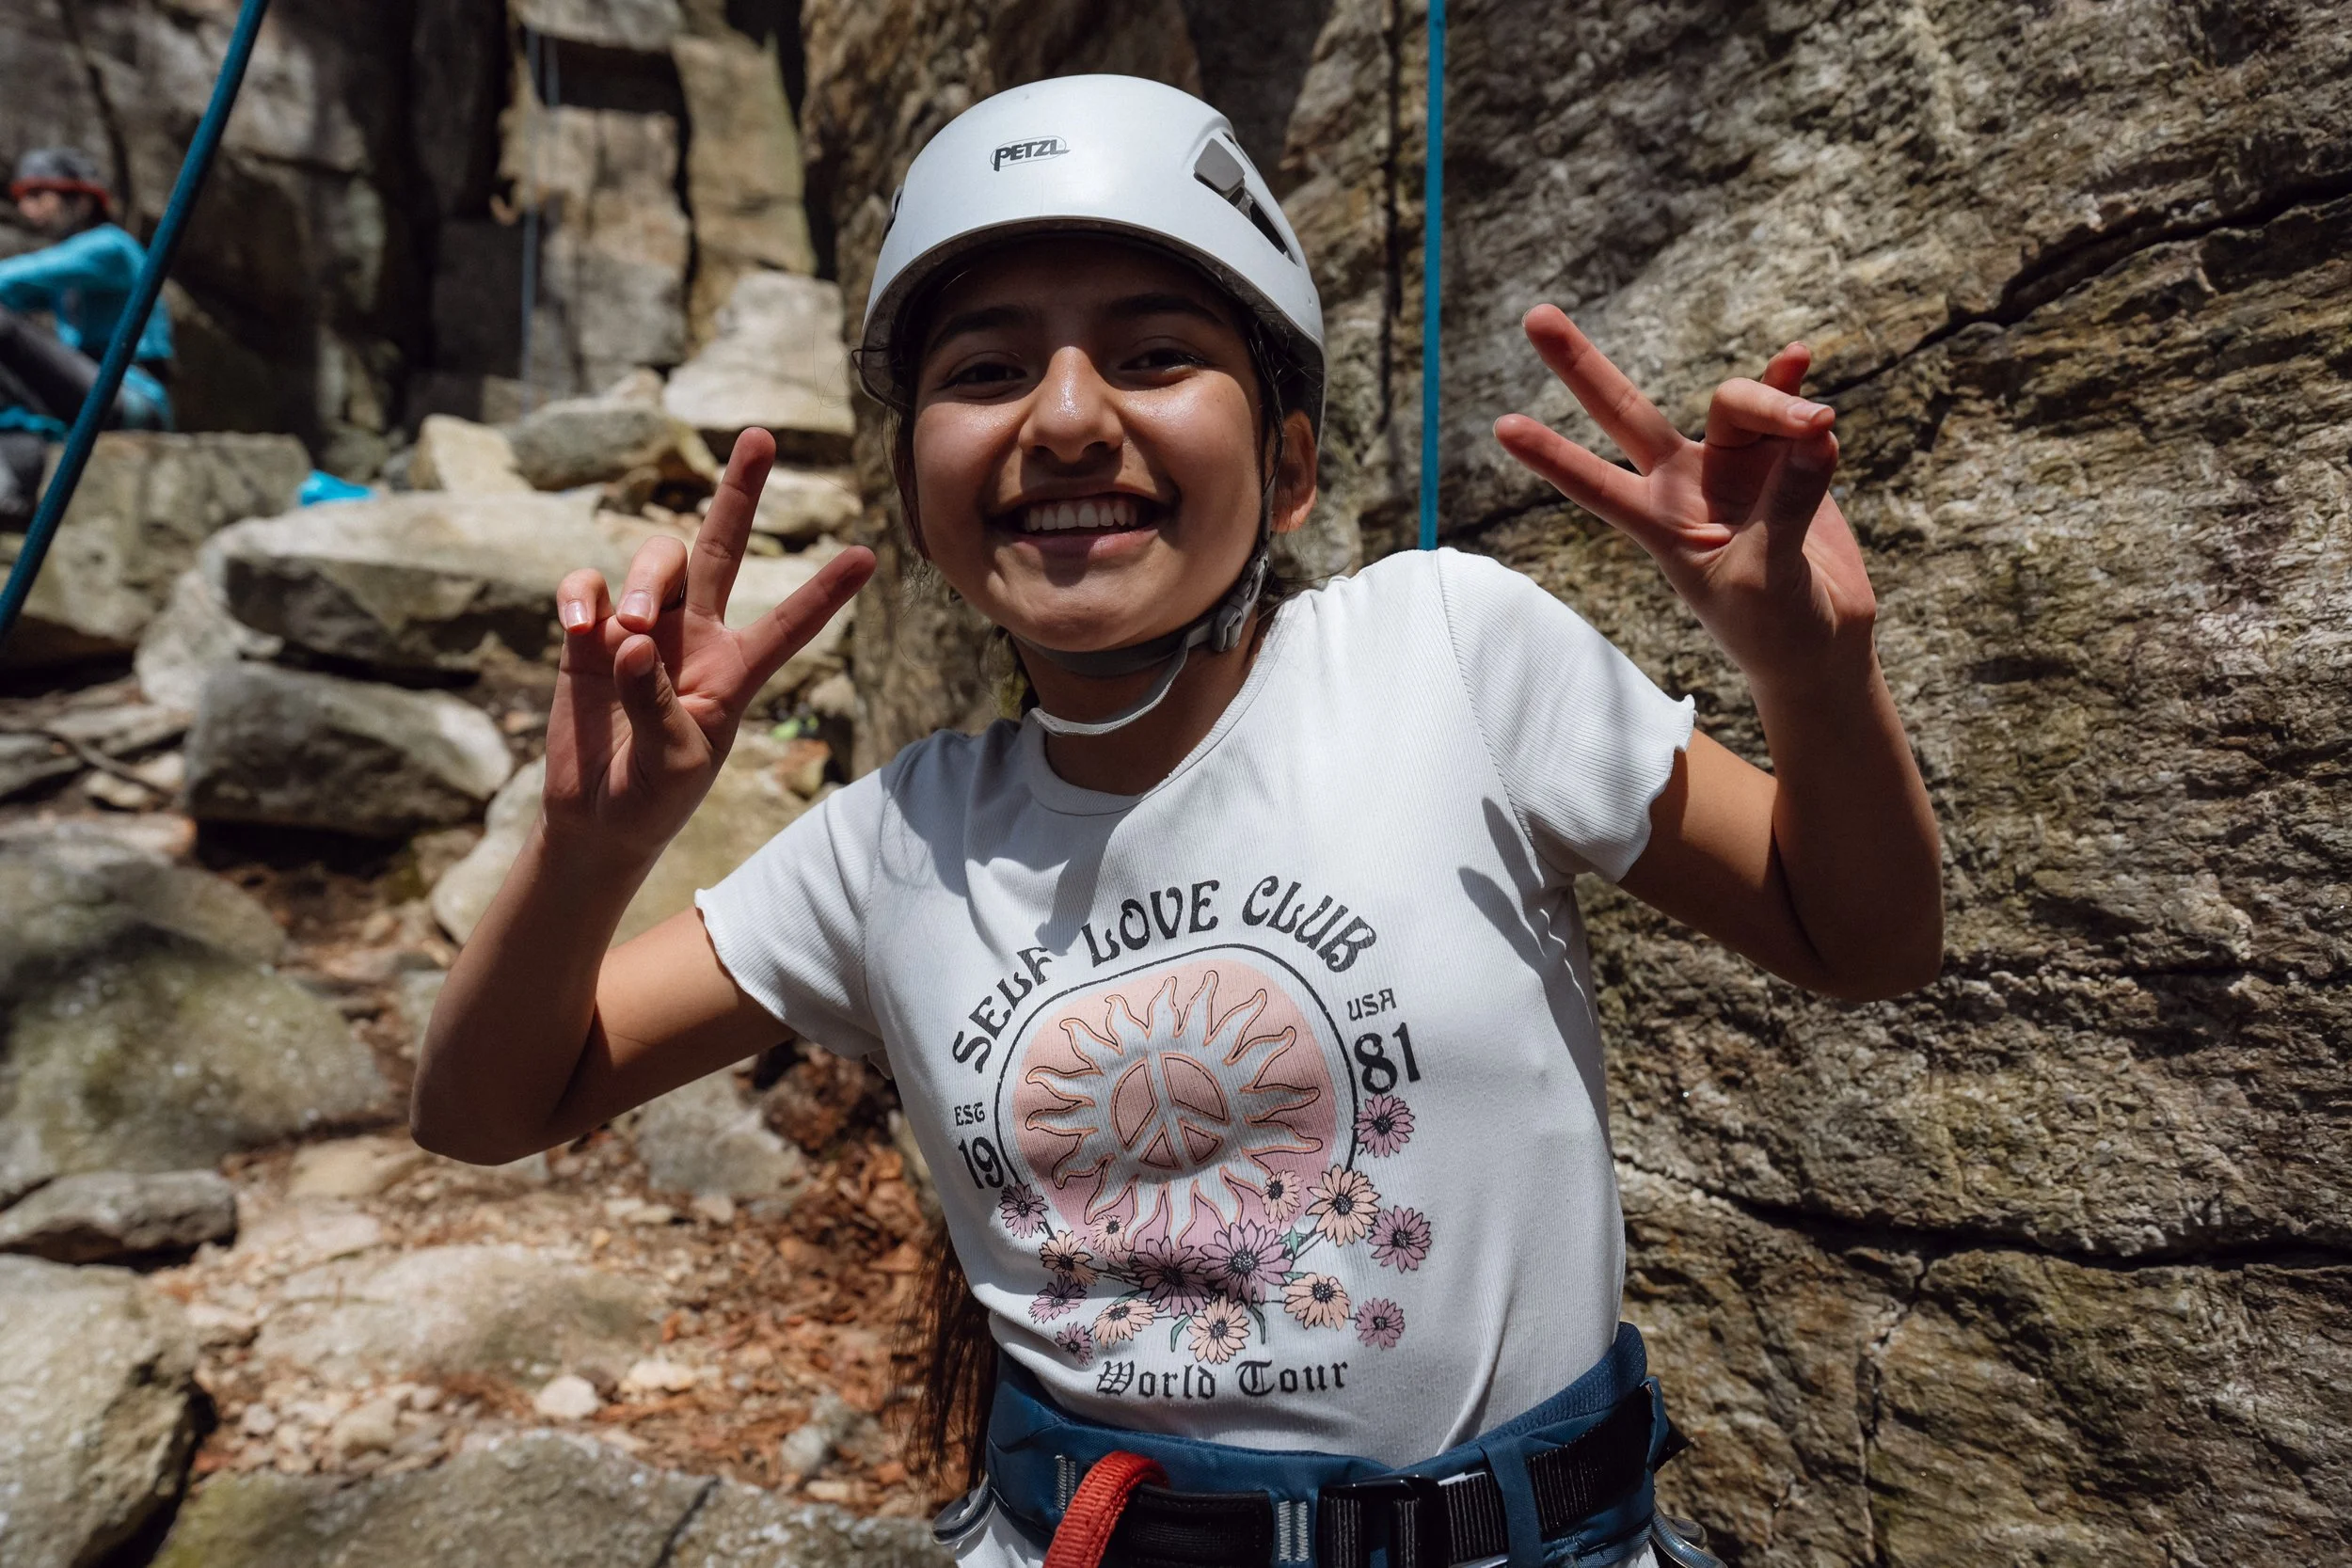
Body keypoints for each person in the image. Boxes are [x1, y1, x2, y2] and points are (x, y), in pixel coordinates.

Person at [411, 74, 1941, 1568]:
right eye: (988, 371)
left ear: (1286, 469)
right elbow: (485, 1112)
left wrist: (1814, 672)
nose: (1067, 418)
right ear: (917, 486)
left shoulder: (1449, 652)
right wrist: (587, 852)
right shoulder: (892, 848)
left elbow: (1861, 935)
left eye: (1152, 355)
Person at [0, 148, 175, 522]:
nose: (28, 209)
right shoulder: (75, 267)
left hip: (130, 396)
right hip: (85, 395)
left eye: (38, 195)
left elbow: (12, 279)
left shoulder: (111, 248)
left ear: (80, 201)